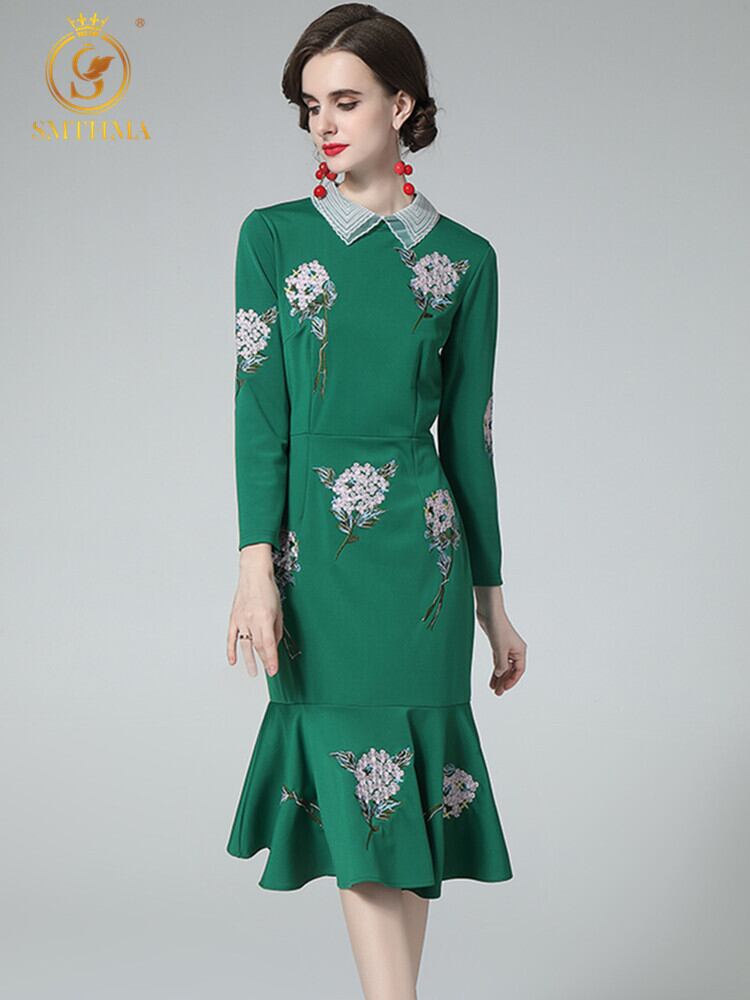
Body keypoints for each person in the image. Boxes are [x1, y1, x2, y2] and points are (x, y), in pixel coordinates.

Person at [225, 4, 527, 997]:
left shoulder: (468, 259)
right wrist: (254, 567)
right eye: (310, 106)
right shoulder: (272, 238)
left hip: (423, 565)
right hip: (315, 560)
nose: (323, 123)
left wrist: (491, 601)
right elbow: (259, 413)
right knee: (360, 786)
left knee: (406, 802)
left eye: (345, 101)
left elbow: (470, 438)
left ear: (402, 105)